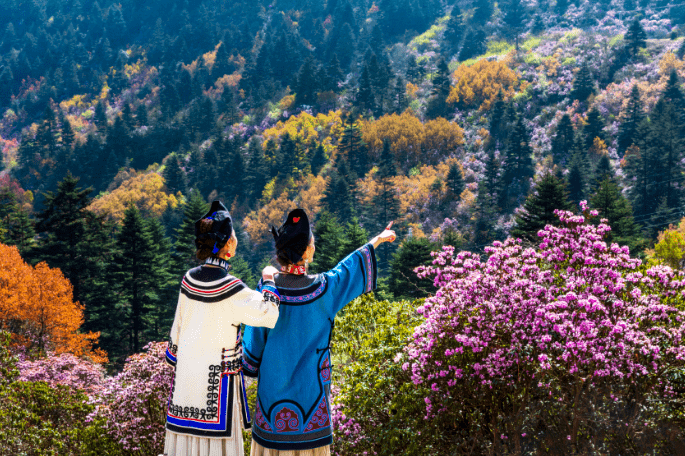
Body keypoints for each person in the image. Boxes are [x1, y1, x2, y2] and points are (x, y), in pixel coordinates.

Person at [243, 209, 396, 455]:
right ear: (305, 252)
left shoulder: (267, 290)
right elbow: (349, 267)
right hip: (311, 402)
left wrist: (250, 365)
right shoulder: (324, 290)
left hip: (271, 405)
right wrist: (378, 239)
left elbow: (253, 346)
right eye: (312, 243)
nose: (314, 247)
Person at [163, 200, 281, 456]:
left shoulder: (187, 281)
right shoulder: (232, 289)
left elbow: (174, 349)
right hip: (217, 400)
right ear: (227, 244)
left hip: (184, 395)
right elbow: (269, 314)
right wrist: (269, 279)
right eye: (234, 235)